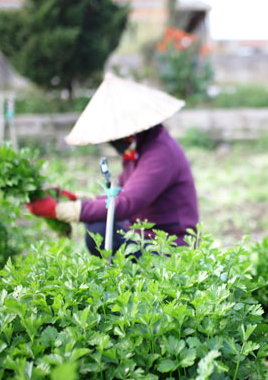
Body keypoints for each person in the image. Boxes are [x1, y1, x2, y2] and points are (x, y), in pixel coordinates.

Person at [26, 73, 199, 256]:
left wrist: (59, 210)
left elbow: (126, 203)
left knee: (99, 231)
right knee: (101, 224)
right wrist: (78, 199)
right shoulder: (140, 148)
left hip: (171, 246)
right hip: (144, 234)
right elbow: (119, 194)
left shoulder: (160, 154)